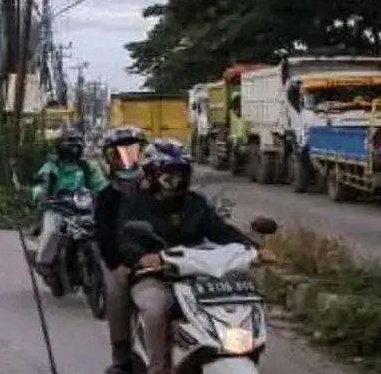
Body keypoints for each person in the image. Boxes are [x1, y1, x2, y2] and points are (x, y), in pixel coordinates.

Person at [109, 145, 274, 374]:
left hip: (195, 274)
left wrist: (254, 248)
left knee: (235, 303)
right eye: (170, 171)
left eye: (182, 171)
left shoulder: (195, 202)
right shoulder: (135, 204)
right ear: (152, 173)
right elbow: (125, 238)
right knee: (155, 308)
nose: (177, 178)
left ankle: (224, 349)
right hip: (157, 275)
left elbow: (220, 230)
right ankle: (158, 367)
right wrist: (142, 256)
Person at [94, 125, 149, 374]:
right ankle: (122, 355)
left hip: (160, 257)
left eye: (133, 151)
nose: (127, 159)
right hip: (123, 261)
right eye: (119, 154)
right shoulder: (107, 196)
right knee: (117, 296)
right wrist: (116, 265)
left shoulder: (154, 187)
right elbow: (104, 235)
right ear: (109, 159)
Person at [31, 127, 107, 275]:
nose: (74, 150)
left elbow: (101, 185)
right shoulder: (51, 167)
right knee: (53, 230)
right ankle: (44, 262)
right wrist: (41, 195)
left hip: (83, 208)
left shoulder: (88, 166)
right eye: (70, 146)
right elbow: (40, 185)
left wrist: (106, 195)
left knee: (102, 229)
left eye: (77, 146)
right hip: (57, 208)